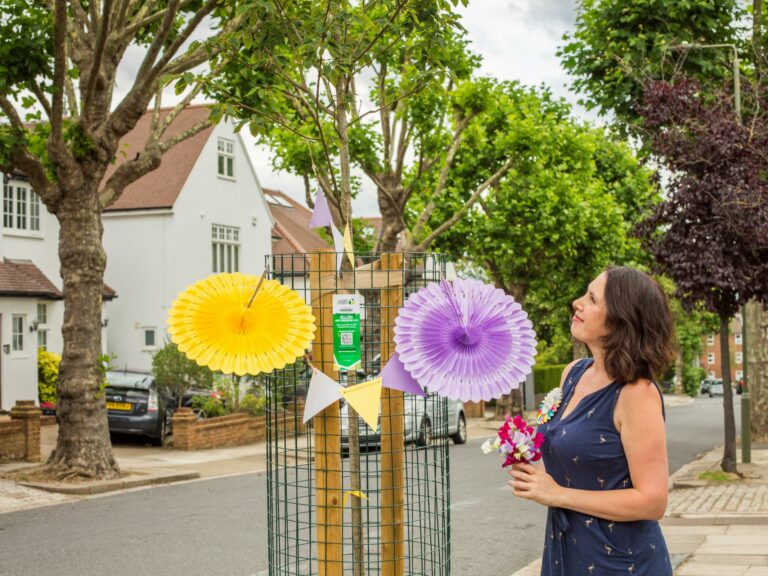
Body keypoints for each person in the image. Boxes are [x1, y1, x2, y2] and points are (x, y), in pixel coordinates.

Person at [509, 267, 675, 575]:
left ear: (620, 320)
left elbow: (653, 502)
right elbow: (569, 463)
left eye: (592, 298)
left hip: (619, 562)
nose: (576, 302)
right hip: (566, 552)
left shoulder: (636, 394)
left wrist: (556, 494)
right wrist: (527, 463)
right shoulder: (572, 373)